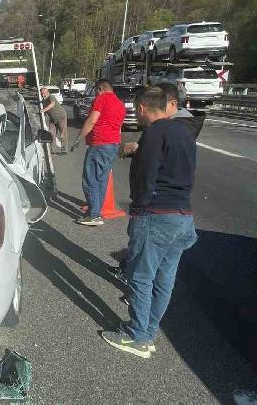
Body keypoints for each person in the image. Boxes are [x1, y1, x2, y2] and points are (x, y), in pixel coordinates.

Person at [101, 87, 197, 359]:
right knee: (164, 279)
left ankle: (138, 336)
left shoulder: (154, 132)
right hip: (183, 216)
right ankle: (148, 330)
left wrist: (139, 211)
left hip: (156, 215)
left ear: (142, 108)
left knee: (141, 277)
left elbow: (147, 177)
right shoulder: (184, 132)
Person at [71, 79, 125, 226]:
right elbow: (119, 127)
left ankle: (94, 215)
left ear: (100, 89)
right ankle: (96, 211)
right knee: (101, 180)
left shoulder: (101, 99)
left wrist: (78, 139)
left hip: (99, 144)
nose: (95, 93)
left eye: (96, 91)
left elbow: (92, 120)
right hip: (113, 144)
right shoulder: (120, 104)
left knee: (90, 179)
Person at [40, 87, 68, 154]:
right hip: (52, 119)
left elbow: (52, 104)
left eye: (44, 93)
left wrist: (43, 110)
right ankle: (51, 150)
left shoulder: (51, 97)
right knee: (51, 134)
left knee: (63, 133)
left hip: (61, 117)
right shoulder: (43, 101)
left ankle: (64, 150)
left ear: (48, 93)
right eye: (42, 94)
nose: (43, 95)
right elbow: (45, 112)